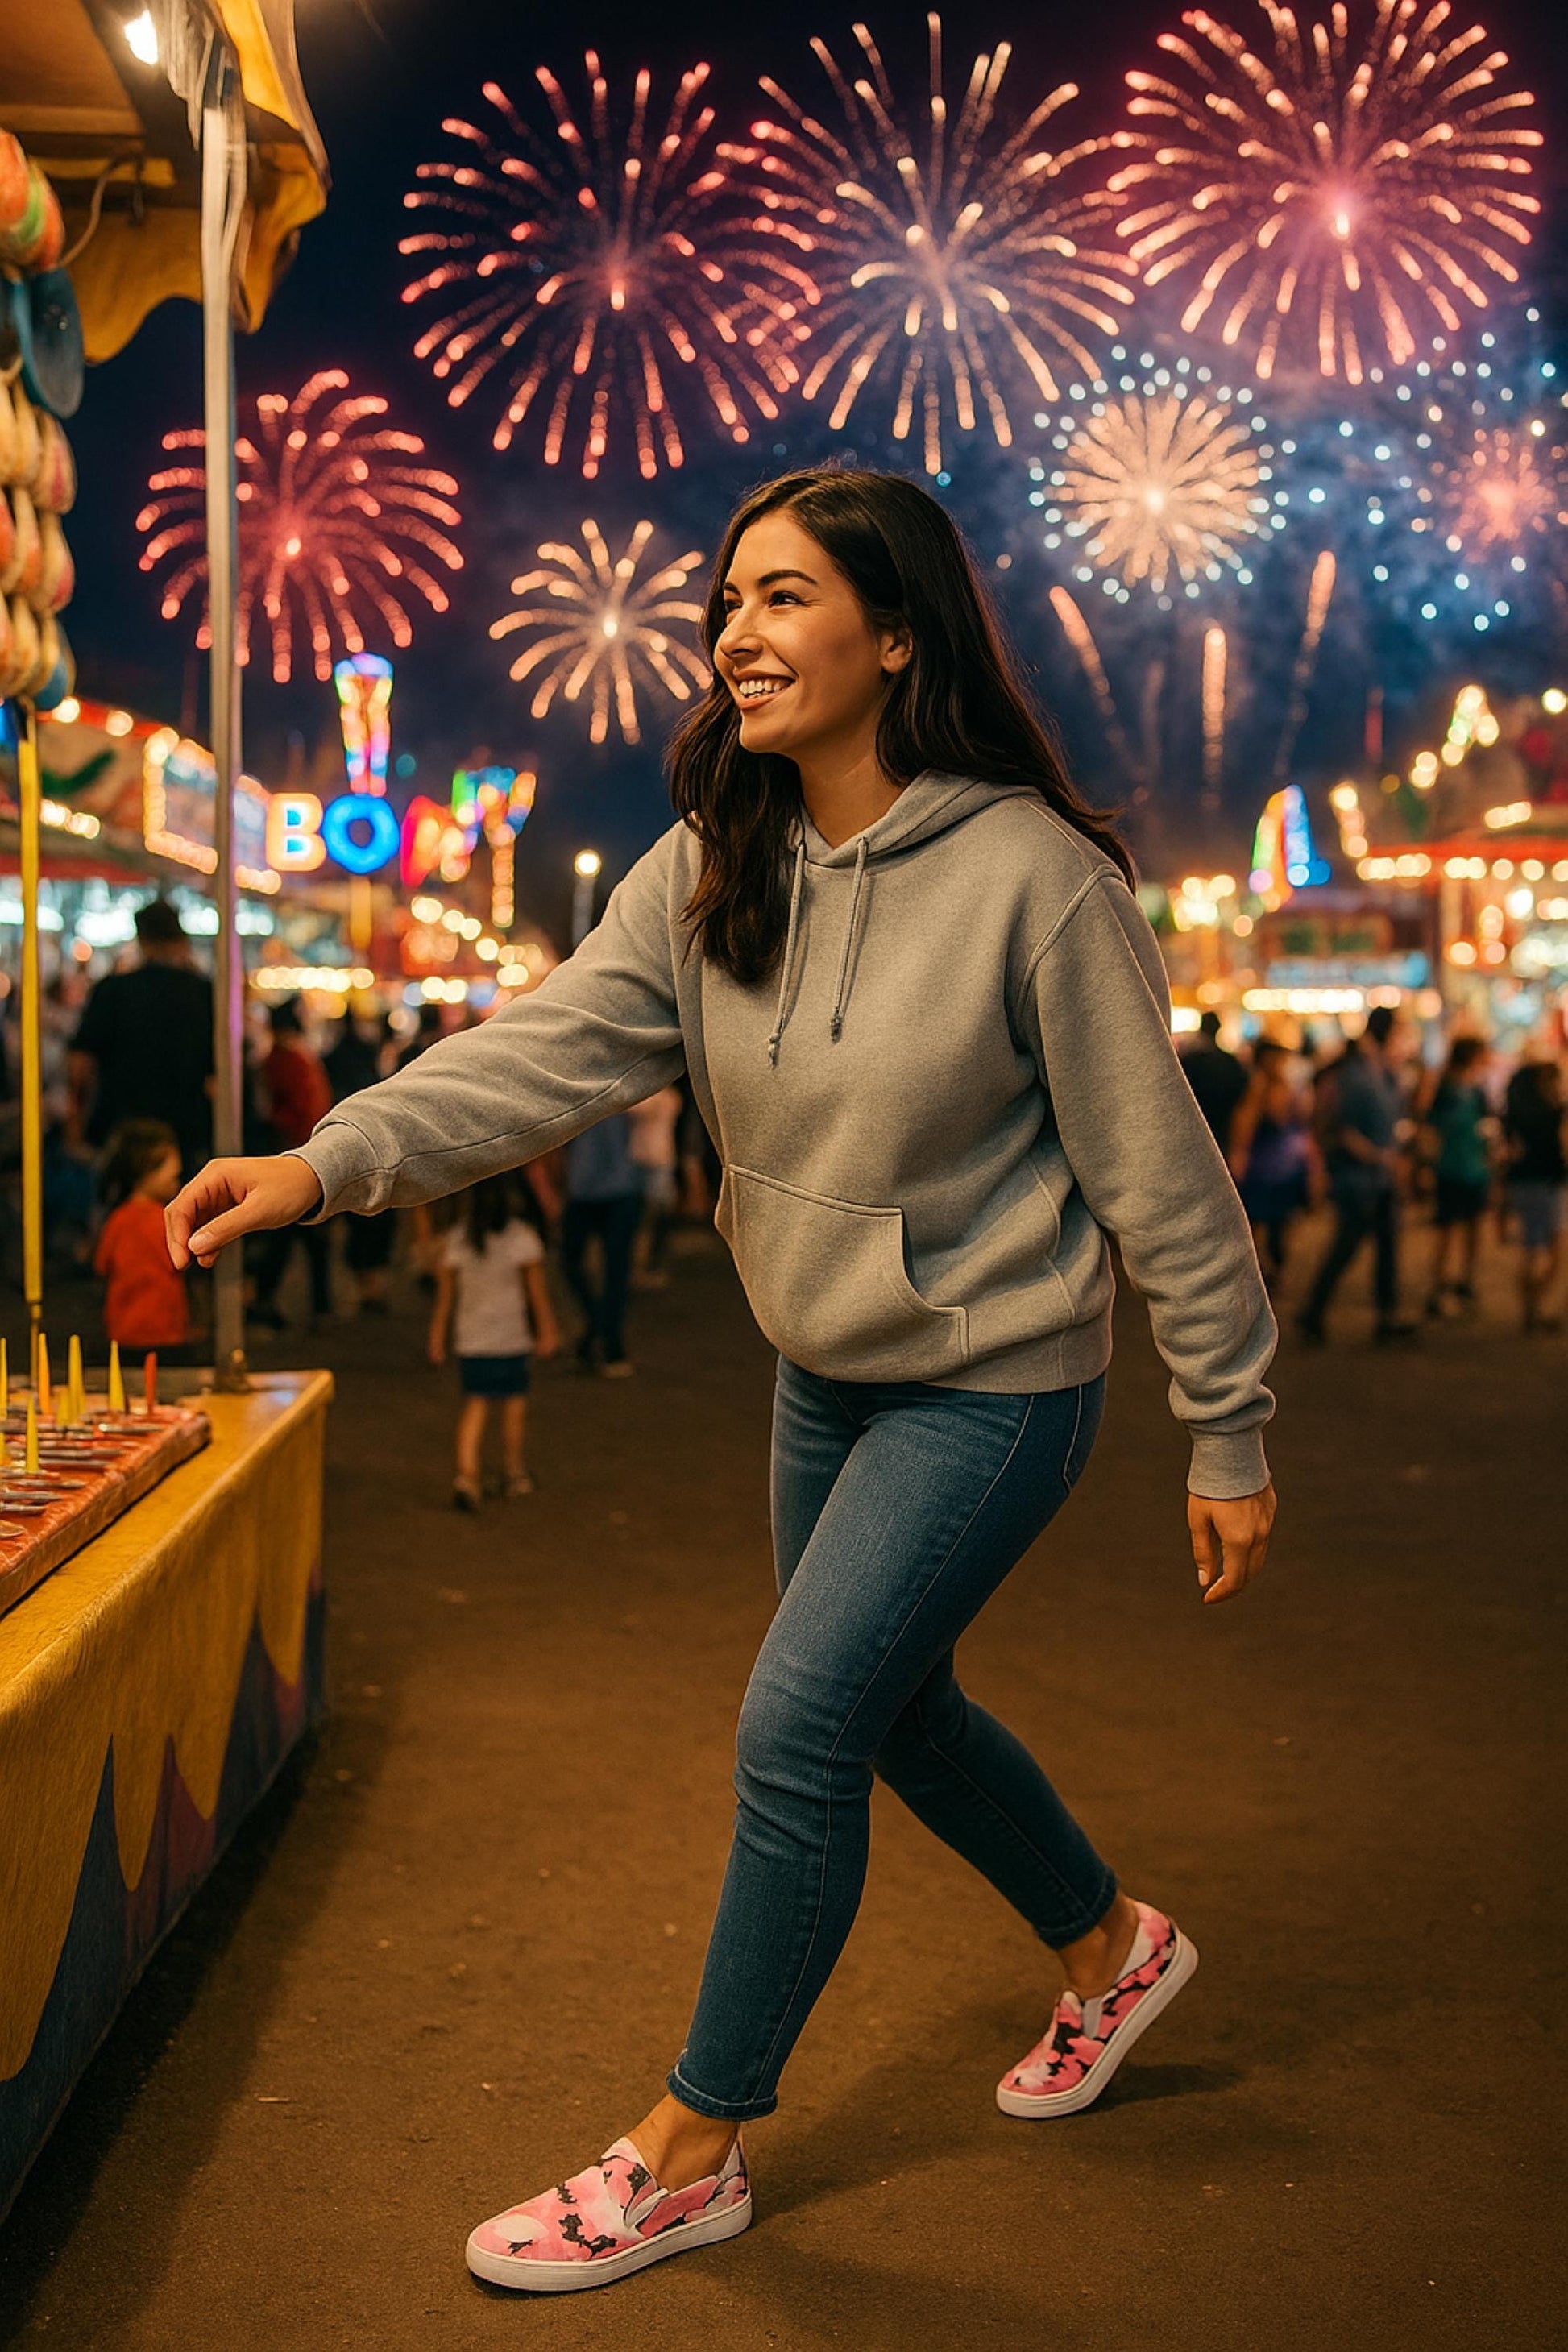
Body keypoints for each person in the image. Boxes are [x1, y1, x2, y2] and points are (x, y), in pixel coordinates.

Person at [166, 466, 1277, 2300]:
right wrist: (325, 1164)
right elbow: (546, 1056)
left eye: (782, 599)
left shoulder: (1034, 880)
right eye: (727, 602)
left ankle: (692, 2152)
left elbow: (1160, 1173)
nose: (734, 636)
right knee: (892, 1713)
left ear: (895, 634)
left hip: (992, 1384)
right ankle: (1112, 1952)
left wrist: (1226, 1425)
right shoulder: (711, 858)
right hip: (820, 1373)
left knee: (799, 1727)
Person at [428, 1171, 560, 1508]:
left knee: (476, 1403)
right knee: (513, 1404)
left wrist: (437, 1338)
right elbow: (537, 1296)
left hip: (472, 1338)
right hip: (511, 1337)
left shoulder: (457, 1241)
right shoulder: (523, 1240)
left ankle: (467, 1475)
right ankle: (514, 1472)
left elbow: (445, 1299)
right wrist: (547, 1331)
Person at [1296, 1006, 1417, 1345]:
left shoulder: (1379, 1068)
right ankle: (1313, 1311)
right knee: (1347, 1244)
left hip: (1380, 1174)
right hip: (1359, 1176)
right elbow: (1344, 1127)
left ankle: (1385, 1315)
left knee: (1386, 1246)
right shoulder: (1357, 1071)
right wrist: (1379, 1155)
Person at [69, 898, 214, 1179]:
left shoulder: (112, 990)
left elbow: (80, 1065)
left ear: (141, 938)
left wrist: (74, 1127)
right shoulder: (203, 993)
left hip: (121, 1129)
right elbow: (218, 1076)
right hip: (184, 1130)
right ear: (180, 938)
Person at [251, 1001, 334, 1331]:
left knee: (283, 1236)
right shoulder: (302, 1057)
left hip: (291, 1153)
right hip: (312, 1151)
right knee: (313, 1240)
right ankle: (320, 1306)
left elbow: (285, 1109)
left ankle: (266, 1298)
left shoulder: (281, 1059)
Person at [94, 1118, 189, 1358]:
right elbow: (179, 1261)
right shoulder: (165, 1219)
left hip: (123, 1331)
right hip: (164, 1330)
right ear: (147, 1170)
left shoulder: (117, 1219)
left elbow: (102, 1264)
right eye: (173, 1177)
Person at [1228, 1038, 1317, 1286]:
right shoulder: (1260, 1084)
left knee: (1280, 1219)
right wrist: (1240, 1154)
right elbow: (1246, 1122)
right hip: (1266, 1160)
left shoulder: (1284, 1084)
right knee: (1258, 1220)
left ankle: (1271, 1268)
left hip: (1282, 1159)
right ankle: (1257, 1272)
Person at [560, 1112, 645, 1375]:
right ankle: (602, 1331)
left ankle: (607, 1340)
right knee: (597, 1268)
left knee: (613, 1272)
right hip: (598, 1188)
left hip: (612, 1188)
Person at [1416, 1035, 1493, 1319]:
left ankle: (1465, 1281)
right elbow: (1431, 1129)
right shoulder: (1447, 1089)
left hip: (1474, 1168)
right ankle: (1439, 1287)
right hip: (1452, 1167)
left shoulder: (1476, 1089)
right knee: (1447, 1229)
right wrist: (1426, 1166)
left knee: (1473, 1227)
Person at [324, 1012, 396, 1314]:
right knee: (374, 1220)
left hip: (340, 1141)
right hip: (372, 1142)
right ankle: (370, 1286)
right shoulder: (366, 1059)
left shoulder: (333, 1058)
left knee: (357, 1219)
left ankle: (363, 1284)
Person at [1502, 1056, 1565, 1333]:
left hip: (1523, 1182)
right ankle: (1535, 1306)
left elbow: (1509, 1150)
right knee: (1555, 1251)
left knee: (1531, 1248)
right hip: (1548, 1183)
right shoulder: (1554, 1113)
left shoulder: (1517, 1113)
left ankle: (1530, 1309)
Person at [629, 1082, 683, 1288]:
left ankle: (646, 1266)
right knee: (649, 1218)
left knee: (650, 1217)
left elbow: (635, 1109)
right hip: (651, 1161)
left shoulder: (663, 1098)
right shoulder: (668, 1097)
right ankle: (644, 1266)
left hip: (655, 1162)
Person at [1177, 1010, 1250, 1158]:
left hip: (1194, 1130)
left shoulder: (1189, 1061)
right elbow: (1241, 1098)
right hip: (1223, 1129)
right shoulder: (1230, 1062)